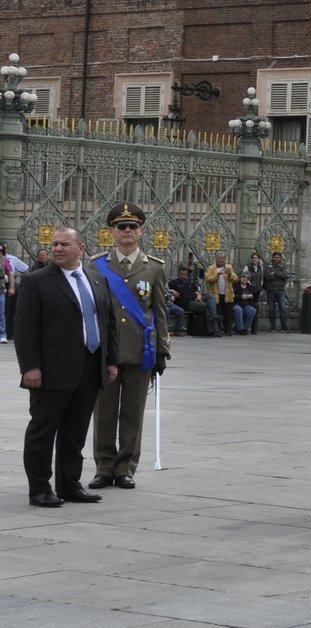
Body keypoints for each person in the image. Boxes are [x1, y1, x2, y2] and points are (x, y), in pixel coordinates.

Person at [16, 227, 121, 507]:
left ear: (81, 248)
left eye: (64, 244)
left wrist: (111, 361)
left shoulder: (97, 280)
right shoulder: (36, 281)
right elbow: (25, 329)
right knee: (43, 430)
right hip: (51, 370)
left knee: (75, 431)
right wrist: (30, 367)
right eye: (54, 244)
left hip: (90, 366)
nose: (58, 249)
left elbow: (108, 323)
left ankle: (69, 484)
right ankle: (39, 488)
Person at [89, 203, 171, 490]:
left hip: (140, 351)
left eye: (132, 227)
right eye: (121, 226)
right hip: (106, 353)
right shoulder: (96, 265)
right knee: (104, 411)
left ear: (141, 231)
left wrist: (162, 350)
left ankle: (126, 468)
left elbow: (159, 311)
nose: (127, 231)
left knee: (133, 412)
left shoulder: (154, 268)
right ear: (111, 231)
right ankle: (103, 467)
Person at [263, 252, 291, 331]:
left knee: (283, 309)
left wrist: (274, 273)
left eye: (278, 257)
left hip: (280, 290)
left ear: (280, 258)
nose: (276, 259)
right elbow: (267, 276)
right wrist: (279, 275)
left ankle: (284, 327)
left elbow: (285, 275)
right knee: (271, 309)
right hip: (270, 290)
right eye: (275, 257)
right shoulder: (268, 266)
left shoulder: (283, 266)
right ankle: (273, 327)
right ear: (272, 258)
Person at [166, 266, 195, 335]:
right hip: (177, 302)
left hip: (190, 301)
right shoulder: (173, 282)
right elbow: (166, 289)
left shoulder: (190, 283)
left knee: (181, 311)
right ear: (179, 274)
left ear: (187, 275)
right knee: (167, 310)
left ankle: (178, 330)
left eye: (185, 275)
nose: (183, 276)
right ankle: (167, 330)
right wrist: (172, 290)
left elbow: (196, 291)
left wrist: (198, 295)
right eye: (181, 275)